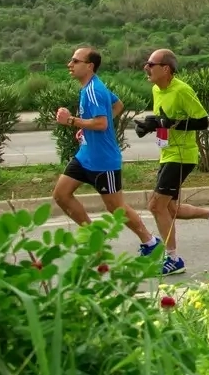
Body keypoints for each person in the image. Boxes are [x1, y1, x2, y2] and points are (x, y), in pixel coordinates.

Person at [51, 47, 160, 256]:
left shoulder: (94, 90)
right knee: (61, 195)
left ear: (89, 66)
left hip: (103, 161)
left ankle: (150, 242)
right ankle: (94, 237)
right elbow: (118, 105)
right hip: (85, 156)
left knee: (116, 208)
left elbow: (101, 123)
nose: (69, 64)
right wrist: (86, 128)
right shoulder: (89, 87)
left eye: (75, 61)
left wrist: (71, 120)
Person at [143, 49, 209, 276]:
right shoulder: (156, 89)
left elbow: (203, 122)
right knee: (171, 209)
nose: (146, 68)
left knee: (156, 206)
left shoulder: (182, 90)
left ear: (166, 69)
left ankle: (173, 259)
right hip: (167, 153)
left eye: (151, 64)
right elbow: (164, 119)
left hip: (182, 156)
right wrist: (151, 126)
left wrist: (171, 123)